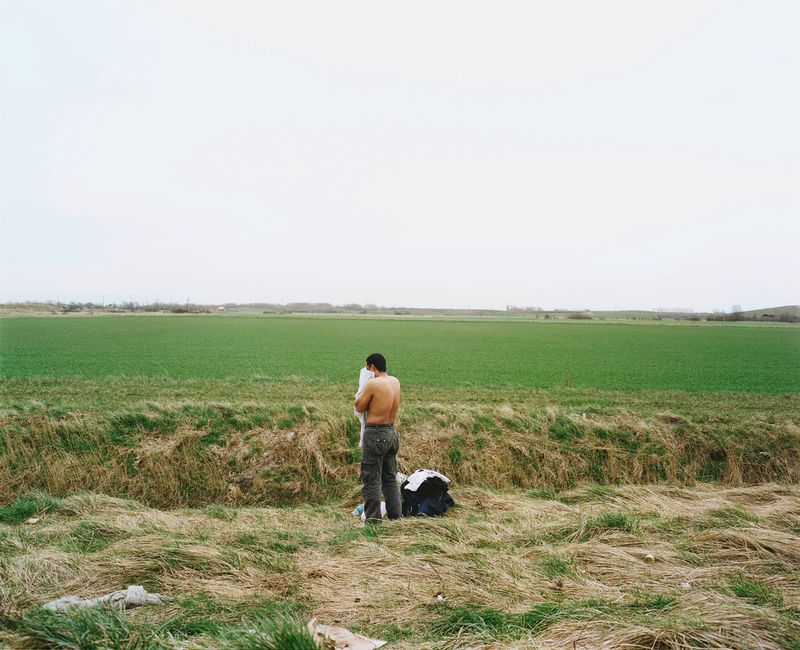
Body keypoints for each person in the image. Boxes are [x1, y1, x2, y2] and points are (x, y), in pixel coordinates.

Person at [354, 353, 402, 523]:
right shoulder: (395, 382)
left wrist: (362, 387)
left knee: (371, 478)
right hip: (391, 432)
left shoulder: (373, 384)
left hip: (375, 433)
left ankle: (373, 520)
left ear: (372, 367)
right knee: (389, 477)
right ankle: (396, 516)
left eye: (367, 367)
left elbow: (359, 407)